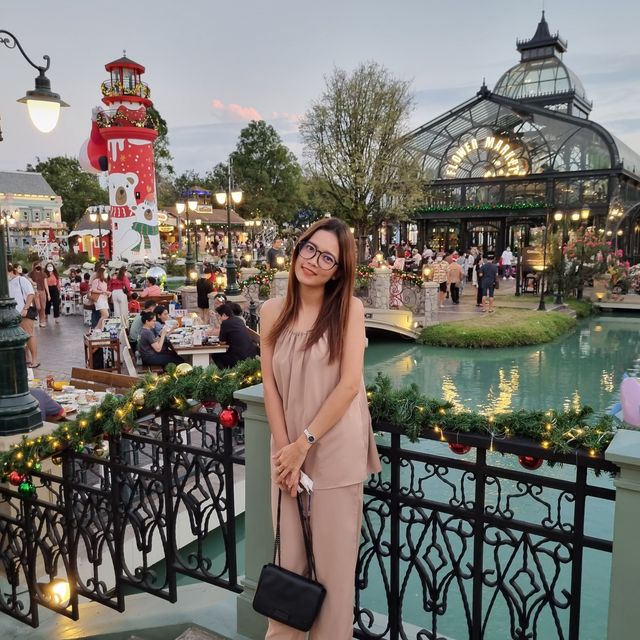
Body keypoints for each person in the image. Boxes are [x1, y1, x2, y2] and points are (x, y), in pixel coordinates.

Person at [260, 217, 381, 639]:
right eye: (309, 248)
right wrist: (285, 454)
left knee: (332, 578)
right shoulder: (271, 311)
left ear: (338, 271)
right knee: (288, 570)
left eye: (327, 257)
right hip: (287, 457)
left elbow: (349, 385)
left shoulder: (349, 310)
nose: (313, 260)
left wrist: (304, 444)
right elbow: (270, 387)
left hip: (334, 452)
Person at [8, 262, 39, 367]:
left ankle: (34, 360)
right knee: (21, 337)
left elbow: (31, 294)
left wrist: (25, 308)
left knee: (29, 335)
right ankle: (27, 358)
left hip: (24, 312)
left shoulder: (22, 280)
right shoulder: (8, 283)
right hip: (13, 313)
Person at [212, 303, 256, 369]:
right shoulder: (239, 320)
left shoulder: (225, 323)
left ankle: (227, 373)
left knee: (215, 355)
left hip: (239, 358)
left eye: (219, 316)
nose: (219, 318)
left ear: (224, 315)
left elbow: (222, 342)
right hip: (250, 355)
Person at [28, 259, 49, 328]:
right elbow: (28, 280)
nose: (38, 266)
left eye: (40, 265)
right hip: (35, 292)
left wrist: (48, 294)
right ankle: (35, 318)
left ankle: (42, 321)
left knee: (43, 307)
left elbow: (46, 284)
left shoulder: (43, 274)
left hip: (42, 291)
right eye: (37, 265)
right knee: (37, 307)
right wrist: (32, 281)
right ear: (34, 266)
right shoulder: (31, 274)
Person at [90, 267, 111, 331]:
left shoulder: (104, 281)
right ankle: (96, 328)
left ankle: (100, 329)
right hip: (99, 299)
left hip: (104, 299)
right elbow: (93, 290)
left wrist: (107, 292)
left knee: (104, 315)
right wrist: (103, 292)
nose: (106, 273)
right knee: (106, 314)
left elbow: (104, 290)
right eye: (105, 272)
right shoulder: (96, 280)